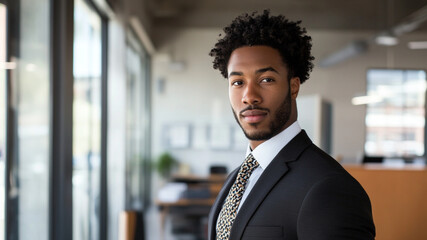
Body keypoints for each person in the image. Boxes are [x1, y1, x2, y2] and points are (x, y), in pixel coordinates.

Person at [207, 10, 375, 240]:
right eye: (237, 82)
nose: (249, 96)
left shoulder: (329, 187)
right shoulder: (238, 177)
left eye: (266, 79)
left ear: (293, 86)